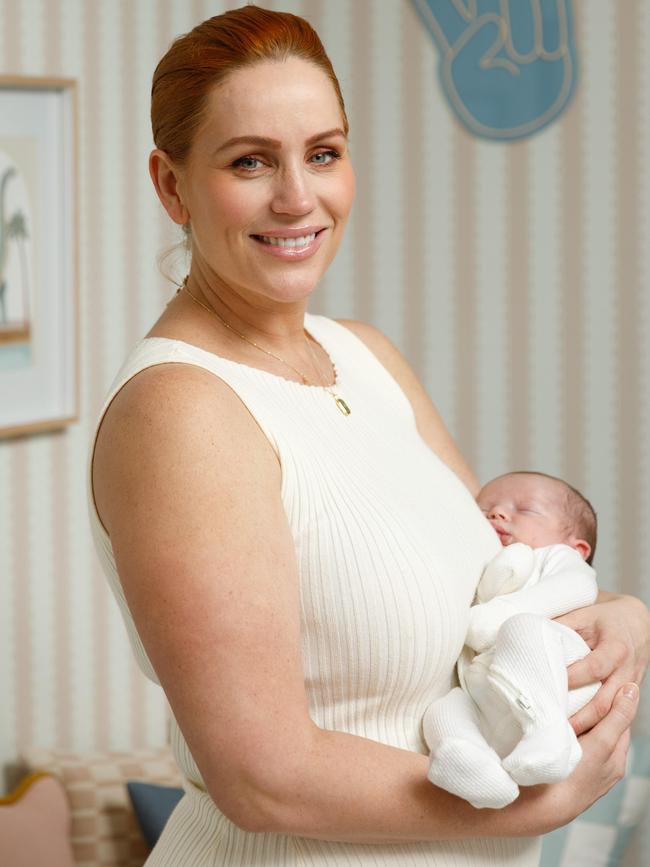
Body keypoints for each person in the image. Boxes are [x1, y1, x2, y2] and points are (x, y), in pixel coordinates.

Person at [87, 6, 649, 865]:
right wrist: (534, 811)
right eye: (250, 162)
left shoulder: (365, 357)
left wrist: (624, 612)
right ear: (171, 186)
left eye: (323, 152)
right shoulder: (182, 412)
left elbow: (488, 600)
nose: (298, 197)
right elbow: (262, 776)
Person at [424, 471, 601, 809]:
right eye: (484, 509)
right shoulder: (480, 566)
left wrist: (503, 613)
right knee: (442, 708)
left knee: (524, 627)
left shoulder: (556, 558)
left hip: (552, 674)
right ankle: (474, 766)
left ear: (576, 547)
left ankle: (550, 734)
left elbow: (579, 588)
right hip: (489, 698)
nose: (497, 514)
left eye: (526, 509)